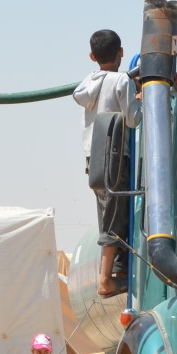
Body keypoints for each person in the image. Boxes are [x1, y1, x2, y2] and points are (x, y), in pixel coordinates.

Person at [74, 29, 140, 298]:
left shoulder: (86, 84)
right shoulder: (122, 81)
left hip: (94, 159)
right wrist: (140, 100)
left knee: (111, 213)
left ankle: (121, 271)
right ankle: (105, 281)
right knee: (115, 217)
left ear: (92, 56)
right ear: (121, 52)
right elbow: (134, 120)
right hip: (115, 157)